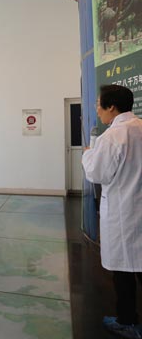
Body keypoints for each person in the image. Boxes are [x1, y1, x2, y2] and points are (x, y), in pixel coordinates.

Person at [81, 85, 142, 339]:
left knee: (124, 270)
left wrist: (88, 155)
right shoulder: (139, 127)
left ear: (111, 107)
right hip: (137, 209)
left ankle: (127, 322)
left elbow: (97, 173)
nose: (97, 110)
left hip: (123, 213)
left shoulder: (113, 136)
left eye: (99, 105)